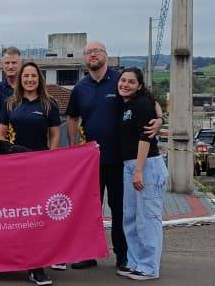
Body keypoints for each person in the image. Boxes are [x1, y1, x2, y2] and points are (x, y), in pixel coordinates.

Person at [65, 40, 161, 272]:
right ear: (85, 58)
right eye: (88, 53)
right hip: (90, 161)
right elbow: (72, 118)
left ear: (105, 55)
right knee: (89, 209)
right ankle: (88, 254)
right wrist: (74, 146)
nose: (92, 55)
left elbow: (148, 102)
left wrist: (159, 120)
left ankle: (123, 256)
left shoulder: (120, 81)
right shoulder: (80, 88)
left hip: (120, 160)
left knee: (120, 210)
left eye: (96, 51)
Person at [0, 112, 52, 286]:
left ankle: (36, 268)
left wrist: (86, 153)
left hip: (13, 206)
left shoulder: (14, 151)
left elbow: (44, 161)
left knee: (30, 221)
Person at [116, 68, 166, 280]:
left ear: (139, 85)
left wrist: (138, 170)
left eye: (131, 82)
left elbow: (144, 138)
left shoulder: (142, 104)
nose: (125, 84)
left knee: (147, 218)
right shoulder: (126, 104)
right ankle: (135, 261)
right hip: (129, 165)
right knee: (130, 217)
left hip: (145, 165)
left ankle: (149, 266)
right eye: (123, 80)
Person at [0, 62, 62, 152]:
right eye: (26, 76)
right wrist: (8, 152)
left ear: (39, 79)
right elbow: (1, 134)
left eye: (33, 76)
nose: (30, 79)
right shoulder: (9, 103)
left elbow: (55, 136)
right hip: (16, 159)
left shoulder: (49, 104)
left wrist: (51, 157)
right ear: (20, 79)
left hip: (40, 158)